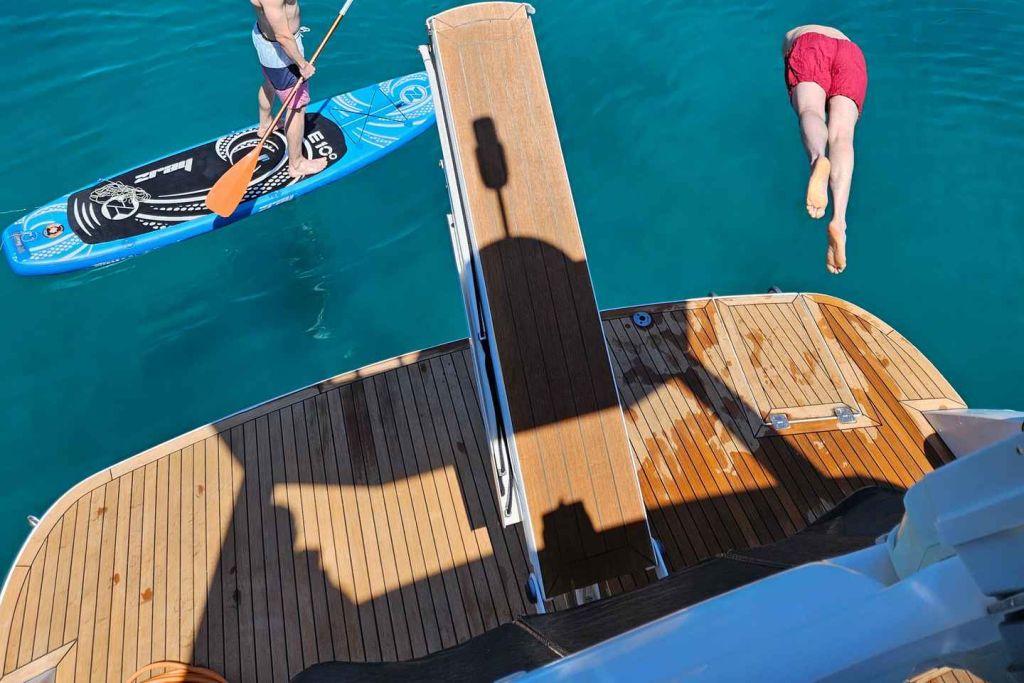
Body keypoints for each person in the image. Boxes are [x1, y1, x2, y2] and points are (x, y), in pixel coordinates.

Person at [782, 25, 868, 274]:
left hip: (809, 42)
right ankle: (839, 220)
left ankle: (818, 158)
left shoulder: (799, 37)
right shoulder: (848, 44)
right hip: (851, 52)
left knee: (810, 110)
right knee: (842, 135)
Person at [252, 0, 328, 178]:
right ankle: (297, 164)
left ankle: (265, 125)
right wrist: (302, 64)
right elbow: (283, 36)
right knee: (297, 105)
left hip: (263, 38)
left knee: (270, 82)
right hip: (282, 52)